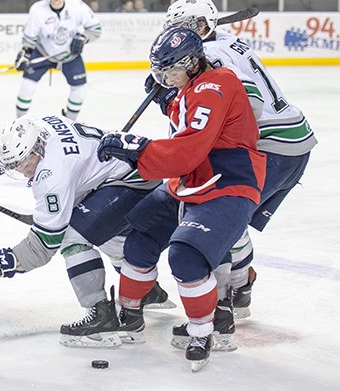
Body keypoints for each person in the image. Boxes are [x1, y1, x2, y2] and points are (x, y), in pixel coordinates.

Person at [95, 26, 266, 371]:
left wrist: (137, 149)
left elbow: (187, 150)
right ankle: (129, 312)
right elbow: (189, 135)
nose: (164, 77)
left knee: (186, 255)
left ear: (191, 63)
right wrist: (171, 102)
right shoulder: (193, 86)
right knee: (140, 237)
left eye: (169, 70)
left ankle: (205, 328)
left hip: (228, 183)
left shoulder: (215, 85)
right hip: (190, 181)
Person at [161, 0, 317, 324]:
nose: (173, 35)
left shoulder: (213, 53)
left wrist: (176, 98)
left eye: (179, 28)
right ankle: (241, 286)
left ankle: (220, 309)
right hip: (294, 144)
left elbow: (252, 102)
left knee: (213, 216)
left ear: (199, 28)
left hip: (271, 146)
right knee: (230, 219)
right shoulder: (227, 42)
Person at [0, 115, 174, 348]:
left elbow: (45, 244)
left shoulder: (52, 177)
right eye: (16, 167)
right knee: (104, 232)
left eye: (26, 165)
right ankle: (143, 290)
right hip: (136, 169)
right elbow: (19, 142)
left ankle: (100, 314)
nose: (25, 173)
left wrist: (6, 261)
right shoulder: (41, 125)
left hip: (132, 181)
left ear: (37, 149)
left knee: (71, 235)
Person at [14, 0, 101, 120]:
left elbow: (96, 29)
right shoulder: (37, 9)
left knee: (79, 91)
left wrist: (83, 37)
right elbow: (30, 39)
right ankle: (19, 122)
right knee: (26, 88)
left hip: (69, 56)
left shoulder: (77, 6)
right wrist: (24, 54)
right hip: (43, 53)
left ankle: (71, 123)